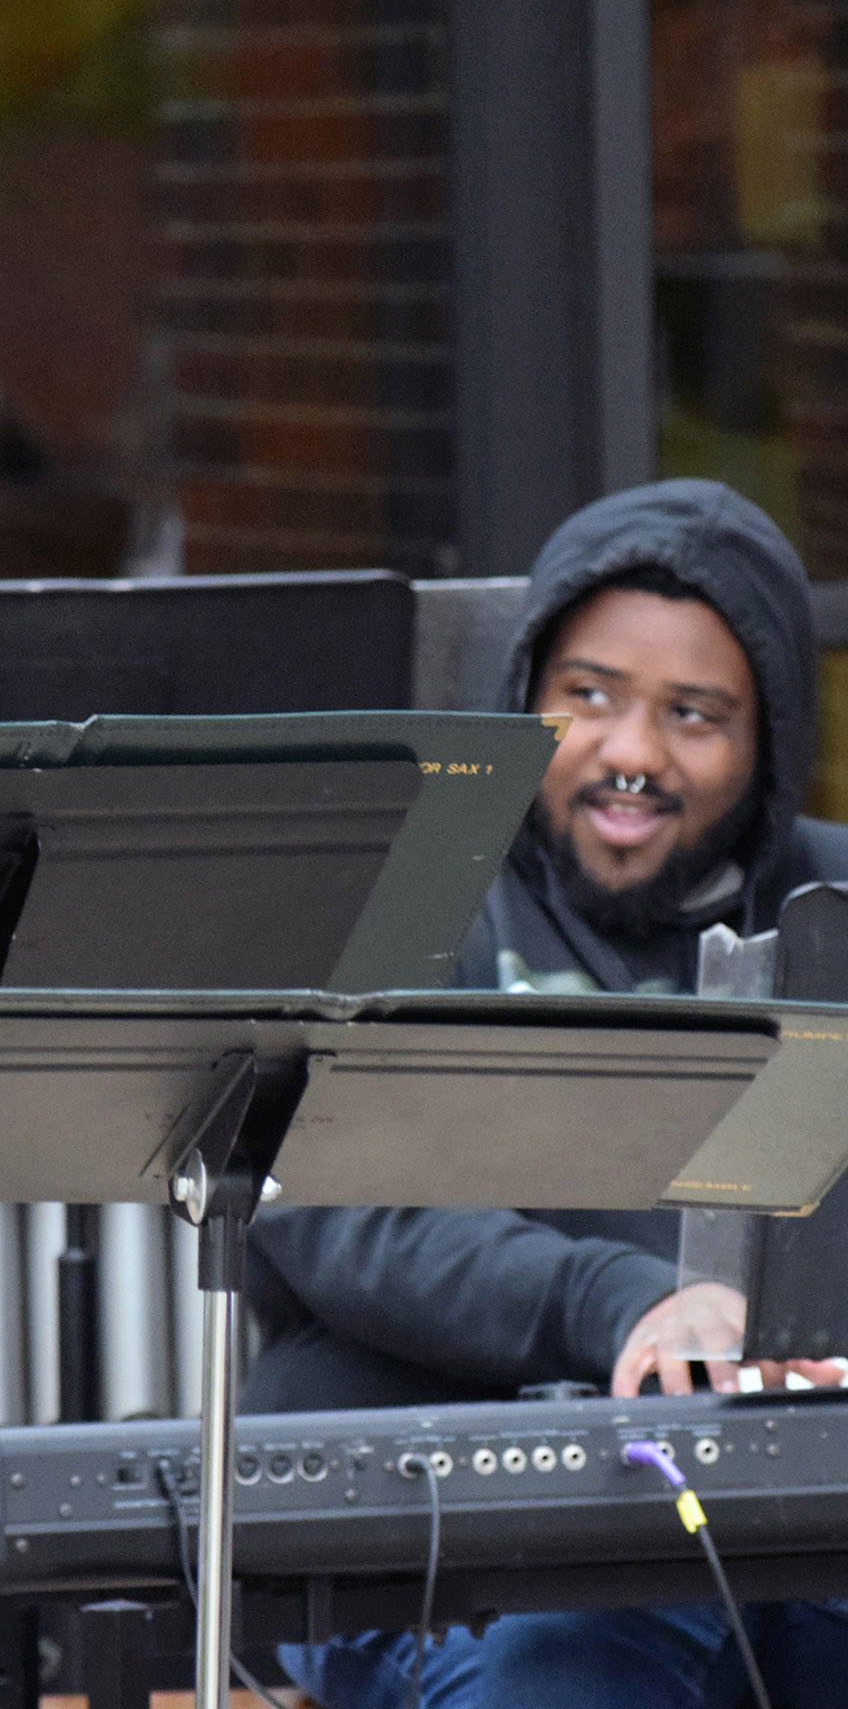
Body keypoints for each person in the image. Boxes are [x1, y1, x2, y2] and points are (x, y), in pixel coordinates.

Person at [247, 479, 848, 1708]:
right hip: (432, 1532)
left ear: (769, 743)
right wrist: (623, 1305)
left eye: (695, 714)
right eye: (588, 697)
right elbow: (335, 1204)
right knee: (571, 1659)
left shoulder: (828, 905)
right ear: (526, 698)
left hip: (792, 1514)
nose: (631, 753)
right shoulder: (405, 888)